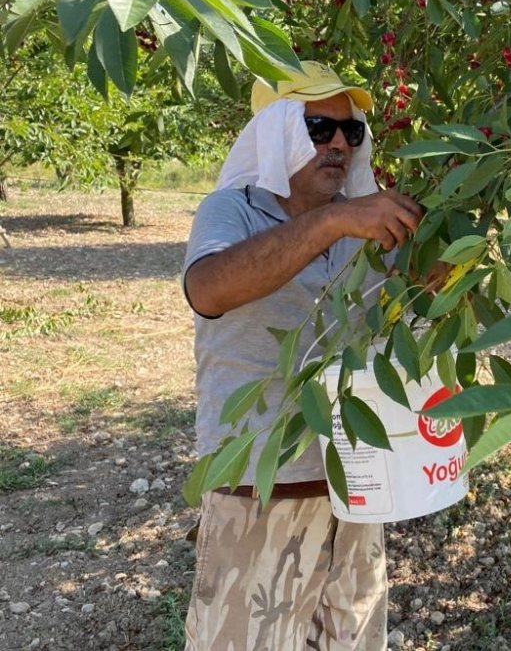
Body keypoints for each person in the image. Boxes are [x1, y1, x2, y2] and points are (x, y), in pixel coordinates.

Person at [182, 61, 424, 650]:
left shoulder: (370, 225)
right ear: (278, 132)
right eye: (319, 127)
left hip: (360, 486)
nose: (339, 143)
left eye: (351, 132)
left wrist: (436, 275)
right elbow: (209, 288)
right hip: (263, 486)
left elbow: (408, 308)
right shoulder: (230, 211)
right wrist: (336, 219)